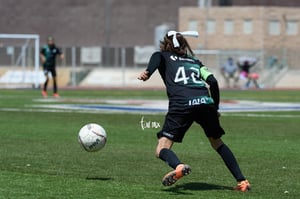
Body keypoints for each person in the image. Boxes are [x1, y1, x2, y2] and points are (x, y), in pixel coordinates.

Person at [138, 30, 250, 192]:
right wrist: (215, 108)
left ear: (166, 45)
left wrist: (148, 72)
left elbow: (156, 58)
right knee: (217, 142)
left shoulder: (163, 56)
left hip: (181, 104)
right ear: (184, 45)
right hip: (205, 102)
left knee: (161, 148)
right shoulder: (195, 62)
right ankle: (242, 182)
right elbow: (213, 82)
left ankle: (179, 166)